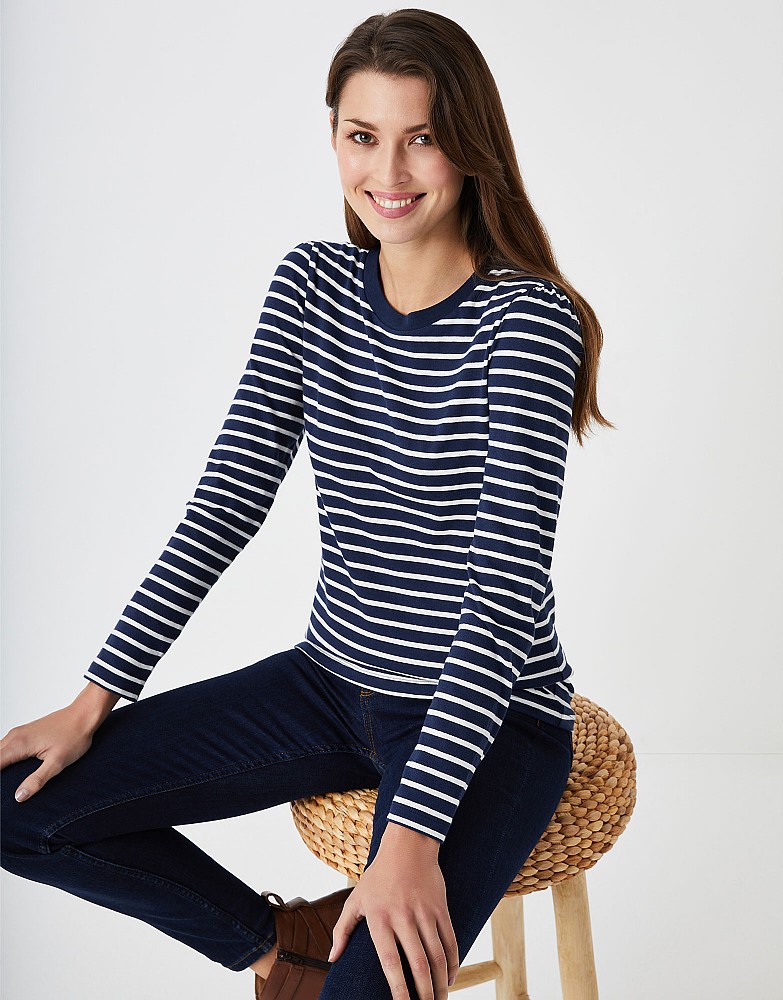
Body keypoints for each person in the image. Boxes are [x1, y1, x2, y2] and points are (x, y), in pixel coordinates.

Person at [0, 8, 613, 1000]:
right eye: (363, 136)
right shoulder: (311, 288)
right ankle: (282, 945)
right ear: (333, 136)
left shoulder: (528, 320)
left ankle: (324, 960)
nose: (390, 171)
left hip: (491, 711)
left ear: (470, 145)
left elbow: (502, 596)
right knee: (16, 806)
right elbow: (224, 504)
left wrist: (410, 838)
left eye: (422, 137)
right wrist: (94, 698)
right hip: (329, 682)